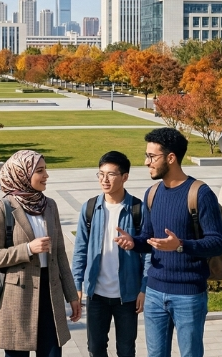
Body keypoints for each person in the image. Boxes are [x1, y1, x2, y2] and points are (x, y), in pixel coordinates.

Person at [115, 128, 222, 357]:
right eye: (147, 156)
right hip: (155, 292)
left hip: (188, 294)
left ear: (171, 158)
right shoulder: (152, 193)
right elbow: (149, 238)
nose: (147, 162)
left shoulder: (200, 194)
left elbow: (217, 243)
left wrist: (180, 245)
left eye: (152, 156)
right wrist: (133, 242)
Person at [0, 150, 81, 356]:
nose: (46, 175)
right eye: (40, 171)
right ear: (22, 174)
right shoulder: (2, 208)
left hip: (50, 296)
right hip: (17, 299)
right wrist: (27, 249)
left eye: (45, 170)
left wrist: (72, 295)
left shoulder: (50, 205)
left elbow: (60, 254)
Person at [71, 151, 148, 357]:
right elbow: (80, 250)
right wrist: (76, 285)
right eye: (101, 174)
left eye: (111, 174)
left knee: (126, 350)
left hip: (128, 296)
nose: (104, 179)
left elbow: (149, 252)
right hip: (96, 295)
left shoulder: (138, 209)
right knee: (95, 349)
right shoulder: (89, 208)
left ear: (125, 177)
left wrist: (143, 289)